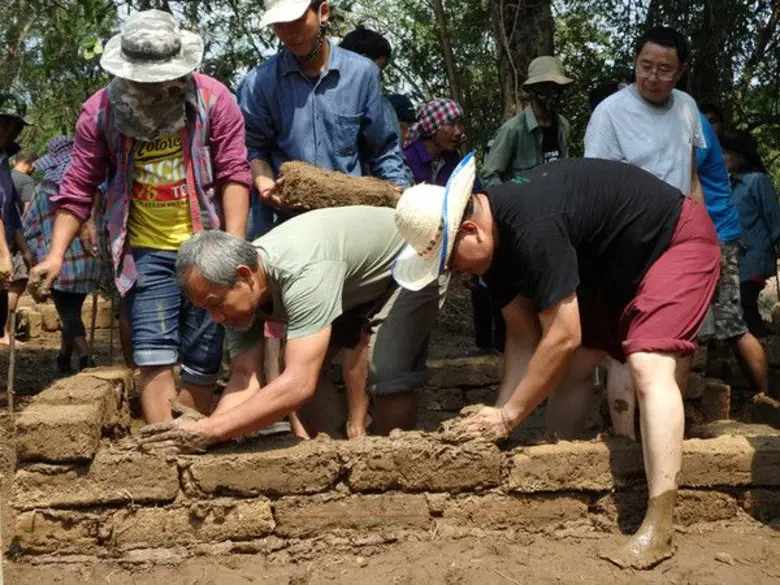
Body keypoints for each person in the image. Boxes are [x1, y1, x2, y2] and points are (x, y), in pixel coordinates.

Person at [393, 156, 720, 570]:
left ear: (471, 231)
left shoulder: (532, 226)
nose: (455, 273)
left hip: (674, 243)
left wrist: (510, 416)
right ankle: (559, 467)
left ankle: (660, 524)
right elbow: (523, 335)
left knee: (647, 364)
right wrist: (497, 417)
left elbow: (564, 335)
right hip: (612, 269)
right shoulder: (496, 254)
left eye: (451, 262)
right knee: (574, 369)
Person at [29, 10, 251, 424]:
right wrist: (55, 255)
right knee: (153, 353)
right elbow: (78, 186)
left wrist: (232, 248)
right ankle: (165, 451)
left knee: (203, 356)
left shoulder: (213, 100)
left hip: (206, 244)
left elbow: (233, 173)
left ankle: (190, 445)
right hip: (145, 251)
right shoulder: (101, 112)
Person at [148, 206, 441, 443]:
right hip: (347, 281)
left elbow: (298, 385)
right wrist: (210, 431)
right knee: (293, 367)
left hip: (411, 259)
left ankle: (390, 474)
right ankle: (337, 457)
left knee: (388, 371)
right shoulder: (239, 294)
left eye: (215, 304)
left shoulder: (301, 273)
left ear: (244, 275)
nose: (215, 318)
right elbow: (244, 376)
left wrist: (211, 430)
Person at [584, 26, 706, 438]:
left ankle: (670, 437)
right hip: (629, 243)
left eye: (665, 70)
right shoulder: (610, 114)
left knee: (677, 342)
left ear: (682, 71)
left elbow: (690, 174)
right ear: (634, 63)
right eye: (645, 66)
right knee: (627, 345)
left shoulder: (687, 108)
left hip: (681, 240)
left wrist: (703, 230)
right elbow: (596, 186)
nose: (653, 77)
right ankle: (625, 438)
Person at [694, 115, 768, 399]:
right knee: (729, 324)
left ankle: (766, 398)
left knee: (730, 324)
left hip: (713, 239)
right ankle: (764, 397)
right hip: (716, 236)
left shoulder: (688, 122)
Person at [23, 136, 100, 373]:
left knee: (68, 314)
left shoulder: (41, 192)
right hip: (86, 264)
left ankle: (86, 359)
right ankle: (64, 357)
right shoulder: (89, 189)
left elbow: (28, 226)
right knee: (72, 311)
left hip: (56, 264)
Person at [481, 55, 573, 188]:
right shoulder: (513, 130)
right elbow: (488, 176)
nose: (551, 93)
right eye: (544, 87)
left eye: (556, 88)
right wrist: (512, 201)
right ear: (532, 90)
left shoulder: (563, 126)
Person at [722, 131, 780, 340]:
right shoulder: (727, 185)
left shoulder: (757, 181)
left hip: (756, 255)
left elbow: (773, 217)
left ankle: (765, 348)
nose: (722, 158)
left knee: (746, 301)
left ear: (739, 156)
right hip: (733, 257)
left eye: (726, 153)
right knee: (731, 309)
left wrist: (775, 247)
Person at [0, 94, 33, 346]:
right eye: (6, 123)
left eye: (15, 125)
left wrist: (24, 251)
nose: (11, 130)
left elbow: (11, 213)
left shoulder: (5, 166)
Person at [403, 98, 467, 186]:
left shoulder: (452, 157)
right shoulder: (408, 159)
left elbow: (475, 189)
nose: (458, 132)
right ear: (432, 128)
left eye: (460, 123)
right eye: (450, 124)